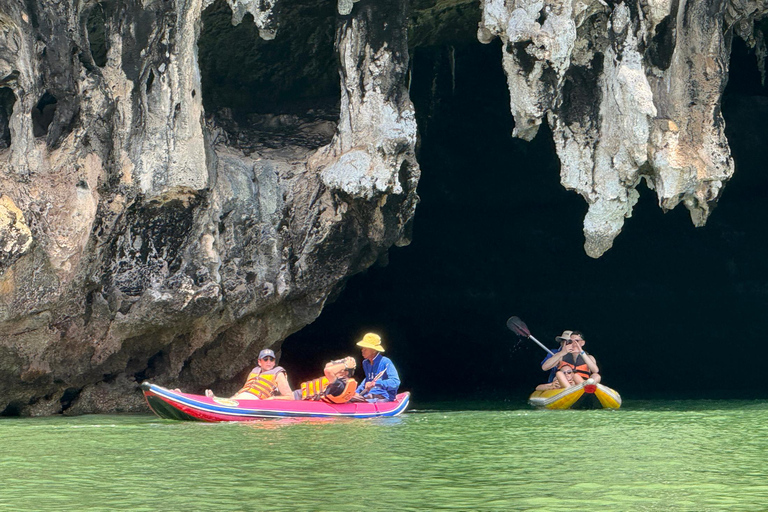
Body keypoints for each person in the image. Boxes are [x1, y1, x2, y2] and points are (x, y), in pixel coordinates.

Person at [205, 348, 293, 400]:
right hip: (244, 397)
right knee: (237, 397)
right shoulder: (254, 371)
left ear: (274, 362)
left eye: (271, 359)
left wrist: (273, 398)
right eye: (265, 359)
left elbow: (290, 397)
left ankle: (218, 401)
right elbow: (246, 388)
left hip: (258, 400)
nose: (269, 362)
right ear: (259, 362)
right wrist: (235, 395)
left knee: (241, 399)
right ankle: (218, 400)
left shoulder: (278, 374)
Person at [285, 356, 359, 403]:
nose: (335, 368)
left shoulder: (339, 385)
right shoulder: (335, 380)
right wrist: (342, 361)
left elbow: (327, 370)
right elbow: (327, 366)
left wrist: (345, 365)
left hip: (297, 397)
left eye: (338, 367)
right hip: (298, 394)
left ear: (345, 372)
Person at [354, 332, 400, 402]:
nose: (362, 350)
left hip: (384, 396)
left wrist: (376, 383)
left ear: (374, 350)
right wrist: (357, 392)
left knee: (368, 399)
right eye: (362, 348)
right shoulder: (365, 363)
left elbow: (395, 382)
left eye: (365, 348)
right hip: (370, 395)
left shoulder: (386, 362)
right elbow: (367, 380)